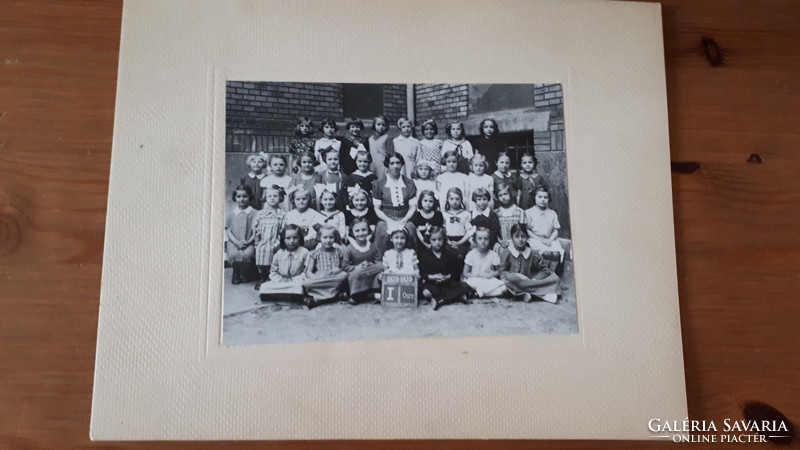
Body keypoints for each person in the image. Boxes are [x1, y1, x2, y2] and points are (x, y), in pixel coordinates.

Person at [499, 223, 559, 303]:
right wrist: (516, 276)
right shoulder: (506, 252)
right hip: (512, 282)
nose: (520, 239)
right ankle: (540, 294)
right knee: (508, 279)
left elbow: (545, 270)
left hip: (529, 281)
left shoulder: (532, 254)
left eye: (523, 236)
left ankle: (523, 293)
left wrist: (534, 279)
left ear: (527, 238)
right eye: (517, 237)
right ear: (512, 238)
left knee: (555, 278)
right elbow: (502, 271)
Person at [372, 153, 418, 253]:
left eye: (398, 163)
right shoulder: (378, 183)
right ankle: (384, 263)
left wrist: (405, 219)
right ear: (387, 164)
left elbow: (413, 207)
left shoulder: (409, 183)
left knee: (410, 228)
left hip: (405, 217)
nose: (395, 166)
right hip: (386, 218)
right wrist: (388, 220)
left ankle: (410, 262)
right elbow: (377, 208)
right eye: (392, 163)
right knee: (382, 230)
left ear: (402, 164)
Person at [418, 226, 470, 310]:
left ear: (444, 239)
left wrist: (448, 276)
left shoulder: (448, 254)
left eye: (440, 239)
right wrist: (432, 277)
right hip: (432, 284)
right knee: (426, 293)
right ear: (429, 240)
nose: (437, 242)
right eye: (434, 240)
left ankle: (440, 300)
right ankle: (455, 297)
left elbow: (455, 270)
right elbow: (422, 273)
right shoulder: (425, 255)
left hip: (446, 283)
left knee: (465, 287)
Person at [259, 225, 309, 304]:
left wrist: (294, 280)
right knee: (264, 287)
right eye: (288, 238)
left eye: (295, 238)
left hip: (296, 281)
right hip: (281, 281)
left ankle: (288, 296)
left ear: (300, 238)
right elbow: (273, 271)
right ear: (283, 239)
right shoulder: (279, 253)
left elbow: (306, 272)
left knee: (299, 287)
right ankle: (285, 295)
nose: (292, 241)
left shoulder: (304, 252)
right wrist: (280, 280)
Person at [302, 225, 348, 309]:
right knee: (306, 283)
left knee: (344, 275)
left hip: (334, 277)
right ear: (319, 238)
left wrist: (338, 270)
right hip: (321, 278)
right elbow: (308, 272)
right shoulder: (315, 253)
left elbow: (344, 267)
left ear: (335, 238)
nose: (328, 240)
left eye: (331, 237)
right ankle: (336, 296)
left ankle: (318, 299)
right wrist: (316, 278)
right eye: (325, 237)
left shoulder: (339, 252)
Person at [342, 217, 383, 304]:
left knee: (382, 266)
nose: (361, 233)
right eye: (357, 231)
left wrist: (371, 265)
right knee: (355, 274)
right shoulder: (349, 249)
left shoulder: (373, 246)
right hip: (357, 273)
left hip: (371, 271)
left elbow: (378, 262)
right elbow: (345, 267)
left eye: (364, 230)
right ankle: (363, 295)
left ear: (368, 231)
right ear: (352, 233)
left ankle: (369, 294)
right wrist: (357, 267)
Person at [523, 186, 564, 270]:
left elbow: (556, 230)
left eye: (545, 197)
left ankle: (552, 272)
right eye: (539, 197)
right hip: (535, 240)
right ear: (534, 198)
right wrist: (541, 240)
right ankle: (544, 271)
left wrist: (550, 240)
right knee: (547, 253)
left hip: (550, 240)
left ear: (549, 199)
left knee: (556, 254)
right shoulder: (529, 212)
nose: (543, 199)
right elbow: (527, 230)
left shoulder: (552, 213)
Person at [252, 185, 285, 289]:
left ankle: (272, 275)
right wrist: (257, 241)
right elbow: (256, 228)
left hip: (276, 240)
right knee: (260, 249)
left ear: (280, 198)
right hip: (263, 240)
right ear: (265, 198)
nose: (272, 198)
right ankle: (262, 275)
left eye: (275, 196)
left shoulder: (282, 214)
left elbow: (283, 230)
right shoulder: (261, 213)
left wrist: (281, 243)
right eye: (269, 196)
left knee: (273, 250)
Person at [462, 227, 507, 298]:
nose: (483, 241)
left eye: (486, 239)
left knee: (504, 287)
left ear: (489, 240)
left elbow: (498, 272)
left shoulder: (493, 254)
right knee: (468, 283)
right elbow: (465, 273)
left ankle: (478, 293)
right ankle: (487, 293)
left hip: (488, 280)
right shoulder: (471, 254)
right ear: (475, 240)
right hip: (475, 279)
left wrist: (490, 275)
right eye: (480, 238)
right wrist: (476, 275)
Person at [225, 185, 257, 284]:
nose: (242, 199)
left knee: (248, 254)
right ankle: (236, 272)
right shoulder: (231, 213)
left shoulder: (255, 213)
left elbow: (256, 231)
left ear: (249, 197)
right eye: (239, 196)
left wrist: (249, 241)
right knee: (234, 253)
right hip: (234, 241)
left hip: (249, 241)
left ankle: (245, 273)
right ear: (235, 197)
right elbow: (228, 230)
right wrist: (236, 242)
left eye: (245, 196)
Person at [441, 187, 473, 260]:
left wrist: (460, 243)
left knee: (461, 256)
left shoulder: (466, 214)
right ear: (447, 200)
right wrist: (448, 242)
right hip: (448, 240)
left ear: (461, 199)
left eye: (457, 199)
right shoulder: (444, 214)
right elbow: (443, 230)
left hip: (462, 240)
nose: (454, 201)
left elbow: (469, 231)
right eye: (451, 199)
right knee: (448, 256)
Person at [313, 146, 348, 210]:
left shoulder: (344, 176)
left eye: (335, 159)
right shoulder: (320, 175)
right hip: (326, 206)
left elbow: (346, 194)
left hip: (340, 206)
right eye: (330, 159)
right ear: (325, 160)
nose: (333, 161)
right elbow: (318, 195)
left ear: (339, 160)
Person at [493, 182, 525, 252]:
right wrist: (501, 242)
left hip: (518, 242)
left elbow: (523, 231)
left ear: (510, 194)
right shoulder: (496, 213)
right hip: (502, 243)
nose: (503, 197)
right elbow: (495, 232)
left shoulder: (519, 211)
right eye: (500, 195)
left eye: (505, 194)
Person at [364, 115, 393, 181]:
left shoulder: (387, 138)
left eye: (383, 125)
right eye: (378, 124)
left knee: (382, 181)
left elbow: (391, 154)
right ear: (374, 125)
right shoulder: (370, 139)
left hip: (383, 165)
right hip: (372, 164)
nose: (381, 127)